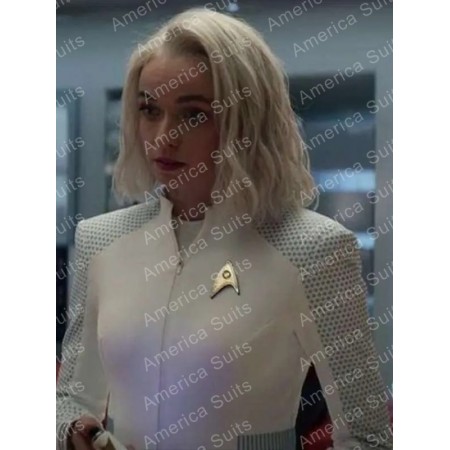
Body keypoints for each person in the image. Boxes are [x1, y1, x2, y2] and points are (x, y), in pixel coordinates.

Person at [56, 8, 392, 450]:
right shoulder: (100, 240)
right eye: (149, 110)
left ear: (248, 122)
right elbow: (72, 396)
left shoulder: (313, 248)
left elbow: (368, 436)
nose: (163, 136)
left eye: (194, 115)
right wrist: (71, 431)